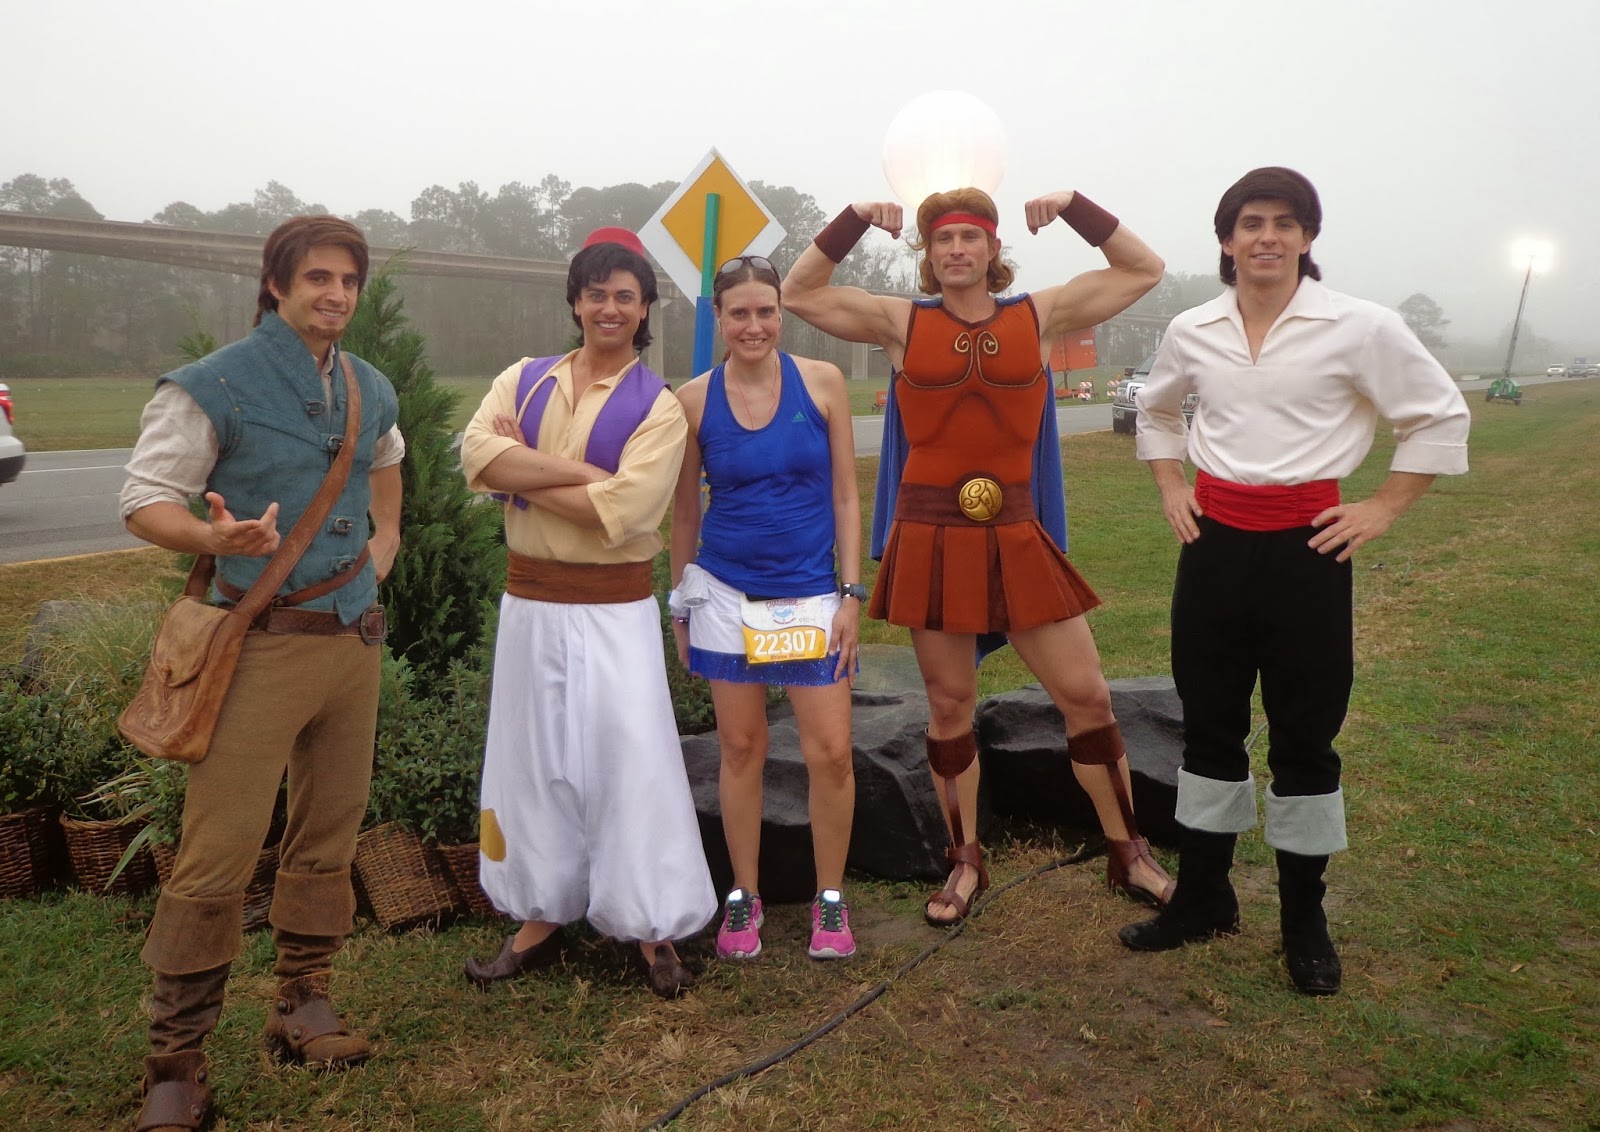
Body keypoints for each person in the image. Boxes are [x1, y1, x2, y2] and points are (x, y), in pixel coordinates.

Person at [1118, 167, 1470, 996]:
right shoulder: (1194, 328)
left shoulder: (1360, 326)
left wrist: (1383, 506)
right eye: (1251, 223)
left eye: (1284, 222)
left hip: (1308, 554)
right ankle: (1204, 898)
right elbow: (1158, 410)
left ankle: (1302, 919)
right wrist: (1171, 484)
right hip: (1213, 549)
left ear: (1308, 237)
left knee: (1305, 740)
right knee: (1209, 729)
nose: (1267, 237)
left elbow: (1438, 413)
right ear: (1227, 239)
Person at [782, 188, 1173, 927]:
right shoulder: (900, 323)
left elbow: (1143, 269)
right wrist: (854, 220)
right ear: (927, 253)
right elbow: (800, 291)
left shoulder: (1039, 315)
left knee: (1088, 697)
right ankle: (965, 860)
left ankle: (1129, 851)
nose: (956, 249)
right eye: (942, 239)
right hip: (930, 535)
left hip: (1017, 533)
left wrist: (1075, 207)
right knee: (950, 704)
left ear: (994, 248)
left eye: (969, 237)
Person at [119, 215, 404, 1131]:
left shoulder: (369, 386)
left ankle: (301, 1000)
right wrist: (212, 536)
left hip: (351, 643)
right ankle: (175, 1060)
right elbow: (143, 500)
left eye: (348, 281)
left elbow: (387, 466)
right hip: (259, 645)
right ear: (276, 285)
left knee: (330, 828)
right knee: (219, 850)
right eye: (318, 278)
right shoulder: (214, 384)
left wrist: (381, 552)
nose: (336, 295)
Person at [459, 227, 716, 998]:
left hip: (614, 610)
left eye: (625, 297)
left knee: (630, 760)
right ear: (575, 301)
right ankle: (540, 914)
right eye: (596, 293)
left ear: (644, 310)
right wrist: (579, 477)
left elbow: (629, 511)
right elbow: (476, 455)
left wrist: (520, 475)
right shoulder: (523, 378)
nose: (610, 307)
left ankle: (651, 922)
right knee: (530, 761)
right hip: (531, 603)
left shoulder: (659, 406)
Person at [668, 254, 863, 962]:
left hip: (810, 593)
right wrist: (681, 606)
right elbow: (684, 514)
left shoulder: (824, 382)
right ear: (718, 319)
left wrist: (851, 594)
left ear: (781, 313)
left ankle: (830, 898)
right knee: (742, 748)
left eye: (766, 312)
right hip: (725, 594)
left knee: (830, 752)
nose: (754, 326)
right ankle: (743, 895)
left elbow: (846, 496)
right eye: (739, 314)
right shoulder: (692, 400)